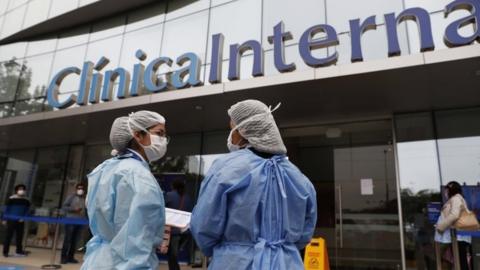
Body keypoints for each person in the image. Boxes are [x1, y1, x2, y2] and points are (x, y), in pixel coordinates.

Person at [190, 99, 318, 270]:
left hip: (235, 263)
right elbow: (305, 234)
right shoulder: (299, 177)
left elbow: (204, 227)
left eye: (232, 129)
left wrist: (230, 250)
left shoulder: (225, 169)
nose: (231, 136)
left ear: (243, 130)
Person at [80, 111, 168, 270]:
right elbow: (137, 237)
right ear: (138, 135)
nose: (163, 140)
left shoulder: (104, 168)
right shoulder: (139, 175)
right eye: (159, 133)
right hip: (125, 263)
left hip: (98, 261)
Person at [435, 181, 473, 270]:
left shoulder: (456, 199)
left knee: (460, 261)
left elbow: (454, 215)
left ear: (451, 190)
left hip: (458, 237)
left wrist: (440, 227)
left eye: (446, 190)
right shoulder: (457, 199)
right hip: (457, 236)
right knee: (459, 260)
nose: (445, 193)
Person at [165, 178, 193, 270]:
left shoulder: (169, 195)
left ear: (173, 186)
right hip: (184, 231)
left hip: (173, 231)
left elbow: (162, 209)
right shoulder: (188, 198)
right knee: (174, 256)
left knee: (172, 257)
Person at [61, 183, 86, 264]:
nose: (80, 190)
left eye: (82, 188)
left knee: (75, 240)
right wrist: (73, 209)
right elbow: (64, 206)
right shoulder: (71, 197)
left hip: (80, 222)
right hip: (70, 220)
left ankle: (70, 257)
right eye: (79, 188)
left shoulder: (84, 198)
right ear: (76, 189)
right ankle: (63, 258)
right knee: (68, 239)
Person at [2, 184, 30, 257]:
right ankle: (5, 252)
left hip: (20, 220)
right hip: (11, 219)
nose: (21, 190)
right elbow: (6, 209)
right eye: (20, 189)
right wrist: (4, 219)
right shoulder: (11, 198)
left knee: (20, 236)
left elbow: (27, 210)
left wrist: (24, 218)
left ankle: (19, 251)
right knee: (9, 236)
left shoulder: (26, 200)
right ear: (16, 190)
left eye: (23, 189)